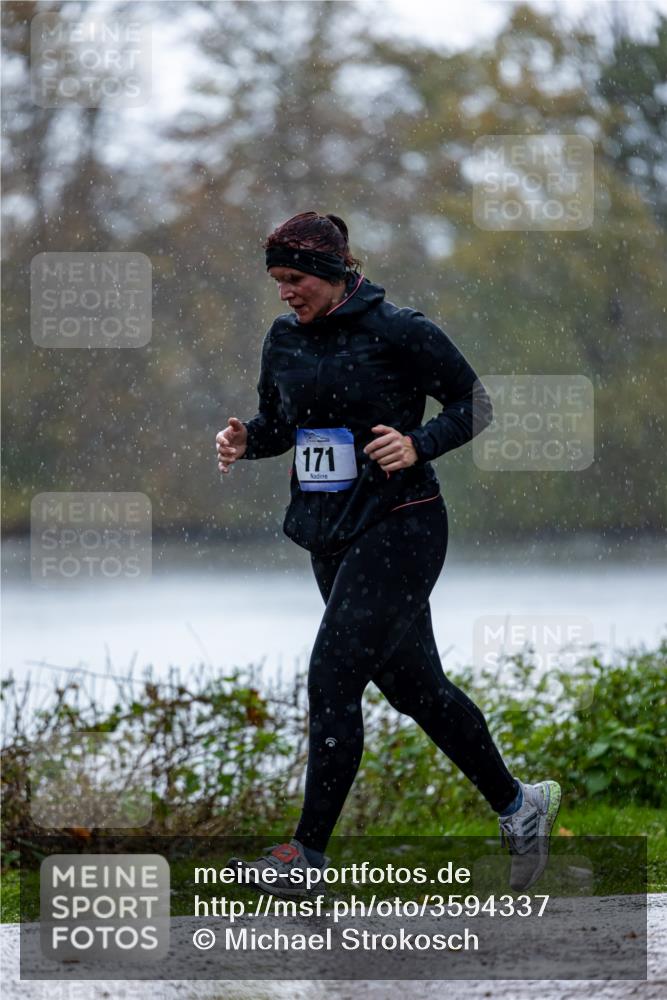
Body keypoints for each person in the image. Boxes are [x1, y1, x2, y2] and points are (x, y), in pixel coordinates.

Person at [215, 211, 560, 894]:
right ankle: (521, 806)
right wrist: (246, 441)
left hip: (402, 525)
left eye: (295, 278)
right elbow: (281, 425)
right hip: (329, 533)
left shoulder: (400, 330)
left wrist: (417, 443)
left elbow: (473, 403)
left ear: (333, 271)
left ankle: (306, 859)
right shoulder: (283, 338)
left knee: (332, 676)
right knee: (415, 690)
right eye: (278, 279)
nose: (285, 291)